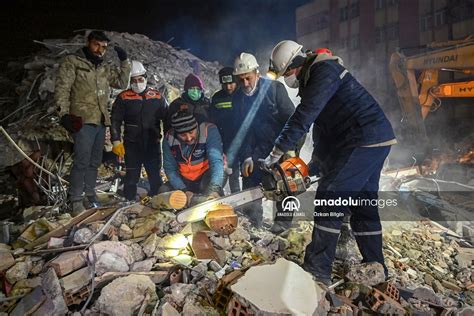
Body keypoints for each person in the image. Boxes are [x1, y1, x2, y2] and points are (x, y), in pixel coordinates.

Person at [264, 40, 397, 285]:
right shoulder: (316, 78)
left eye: (287, 73)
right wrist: (313, 167)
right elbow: (323, 133)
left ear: (296, 64)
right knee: (363, 204)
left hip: (363, 138)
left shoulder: (323, 72)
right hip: (372, 139)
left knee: (330, 196)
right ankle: (376, 267)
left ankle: (317, 269)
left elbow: (304, 116)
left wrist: (276, 153)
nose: (287, 79)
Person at [55, 30, 131, 215]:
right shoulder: (73, 62)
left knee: (94, 161)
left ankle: (90, 195)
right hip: (81, 120)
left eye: (104, 47)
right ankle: (75, 200)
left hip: (100, 120)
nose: (100, 50)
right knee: (82, 160)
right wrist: (63, 114)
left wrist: (125, 61)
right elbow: (62, 89)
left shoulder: (104, 66)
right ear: (89, 43)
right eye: (97, 45)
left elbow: (122, 83)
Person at [231, 52, 296, 231]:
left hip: (280, 146)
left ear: (257, 74)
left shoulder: (275, 90)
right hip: (257, 149)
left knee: (284, 186)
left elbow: (294, 121)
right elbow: (241, 131)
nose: (245, 84)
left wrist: (289, 149)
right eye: (241, 79)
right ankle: (254, 223)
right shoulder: (238, 98)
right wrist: (246, 156)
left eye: (248, 78)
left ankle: (283, 225)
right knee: (250, 178)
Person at [110, 60, 168, 201]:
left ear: (146, 78)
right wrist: (116, 140)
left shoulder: (157, 97)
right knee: (131, 177)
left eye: (140, 79)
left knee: (155, 175)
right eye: (133, 80)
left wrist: (168, 139)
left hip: (152, 144)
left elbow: (167, 119)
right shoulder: (123, 97)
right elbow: (115, 120)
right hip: (132, 145)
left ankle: (158, 203)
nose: (137, 83)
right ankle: (128, 203)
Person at [162, 109, 224, 204]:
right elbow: (170, 169)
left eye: (191, 132)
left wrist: (214, 188)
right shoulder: (169, 138)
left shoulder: (208, 130)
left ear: (196, 126)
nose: (189, 138)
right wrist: (183, 190)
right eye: (183, 135)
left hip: (206, 176)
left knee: (209, 196)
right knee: (164, 191)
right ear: (176, 132)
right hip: (185, 179)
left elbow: (216, 162)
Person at [210, 67, 240, 193]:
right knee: (223, 171)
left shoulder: (243, 95)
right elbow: (212, 120)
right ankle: (216, 196)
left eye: (231, 83)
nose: (228, 87)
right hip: (222, 142)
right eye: (225, 84)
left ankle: (239, 199)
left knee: (235, 174)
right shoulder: (217, 97)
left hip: (240, 141)